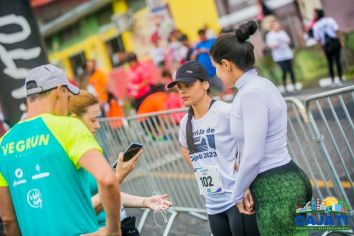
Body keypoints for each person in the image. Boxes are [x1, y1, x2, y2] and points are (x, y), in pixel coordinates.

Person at [210, 21, 312, 235]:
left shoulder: (251, 93)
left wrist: (236, 194)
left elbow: (253, 155)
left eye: (216, 67)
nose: (217, 74)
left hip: (276, 187)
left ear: (226, 64)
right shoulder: (259, 86)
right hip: (277, 182)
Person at [0, 64, 122, 236]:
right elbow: (107, 179)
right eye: (68, 95)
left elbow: (8, 219)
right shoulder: (68, 126)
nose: (68, 102)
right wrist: (113, 230)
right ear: (59, 90)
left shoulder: (3, 143)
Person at [168, 61, 260, 236]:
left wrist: (245, 178)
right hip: (212, 205)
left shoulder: (226, 112)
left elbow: (249, 144)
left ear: (205, 84)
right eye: (179, 87)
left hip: (237, 199)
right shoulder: (185, 122)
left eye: (187, 85)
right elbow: (185, 149)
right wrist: (201, 168)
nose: (182, 91)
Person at [68, 90, 172, 235]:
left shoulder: (90, 149)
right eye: (93, 120)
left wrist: (145, 201)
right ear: (74, 120)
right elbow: (81, 211)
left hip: (121, 225)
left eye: (98, 119)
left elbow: (107, 193)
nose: (98, 125)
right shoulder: (67, 159)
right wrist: (117, 178)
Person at [312, 9, 344, 85]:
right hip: (333, 42)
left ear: (318, 14)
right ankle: (340, 79)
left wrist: (321, 49)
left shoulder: (316, 25)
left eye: (314, 14)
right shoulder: (329, 20)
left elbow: (318, 39)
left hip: (327, 44)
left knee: (331, 63)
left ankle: (334, 80)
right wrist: (340, 42)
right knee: (337, 61)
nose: (313, 15)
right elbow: (336, 30)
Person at [266, 20, 296, 92]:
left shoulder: (282, 33)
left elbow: (288, 41)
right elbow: (270, 45)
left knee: (291, 70)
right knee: (284, 70)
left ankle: (294, 85)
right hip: (279, 57)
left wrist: (285, 42)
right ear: (272, 27)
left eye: (278, 25)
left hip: (287, 54)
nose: (277, 26)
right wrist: (275, 45)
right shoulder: (270, 35)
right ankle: (285, 85)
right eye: (275, 25)